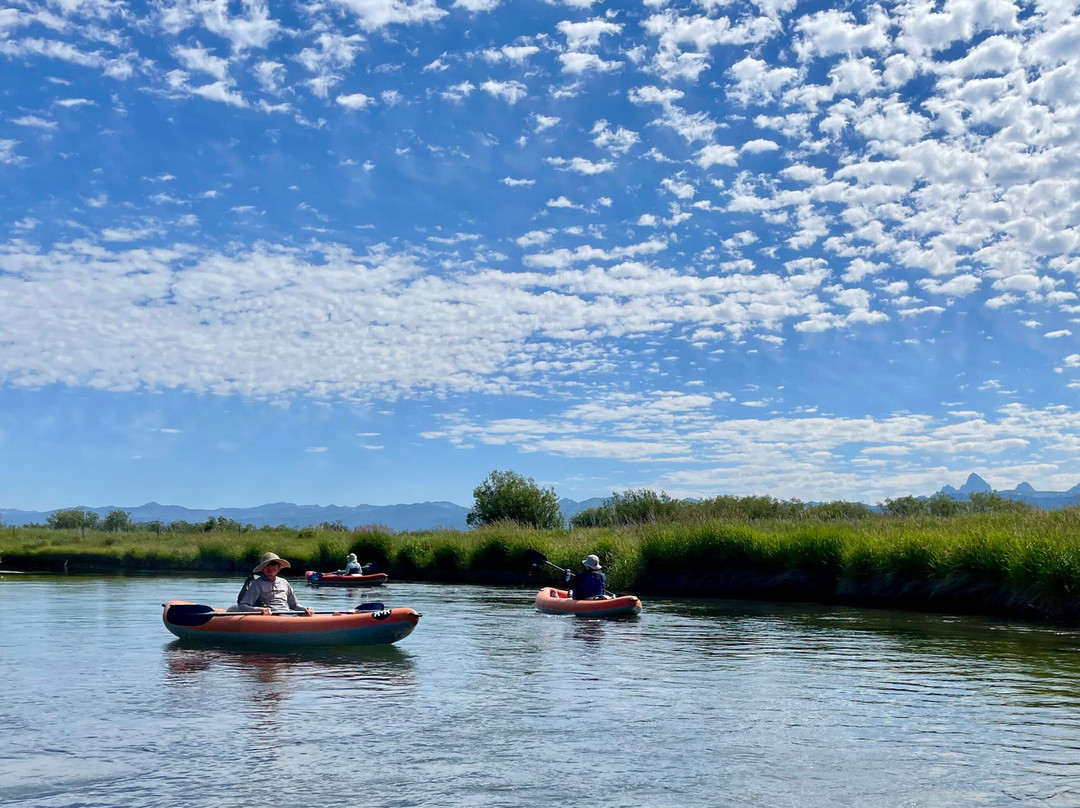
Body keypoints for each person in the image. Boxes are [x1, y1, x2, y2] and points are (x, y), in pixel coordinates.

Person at [236, 552, 314, 615]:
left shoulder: (284, 582)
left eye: (273, 564)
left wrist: (304, 609)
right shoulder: (257, 584)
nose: (270, 568)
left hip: (287, 614)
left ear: (278, 567)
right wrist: (259, 610)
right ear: (263, 568)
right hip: (270, 617)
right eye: (267, 565)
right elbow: (243, 606)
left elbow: (293, 605)